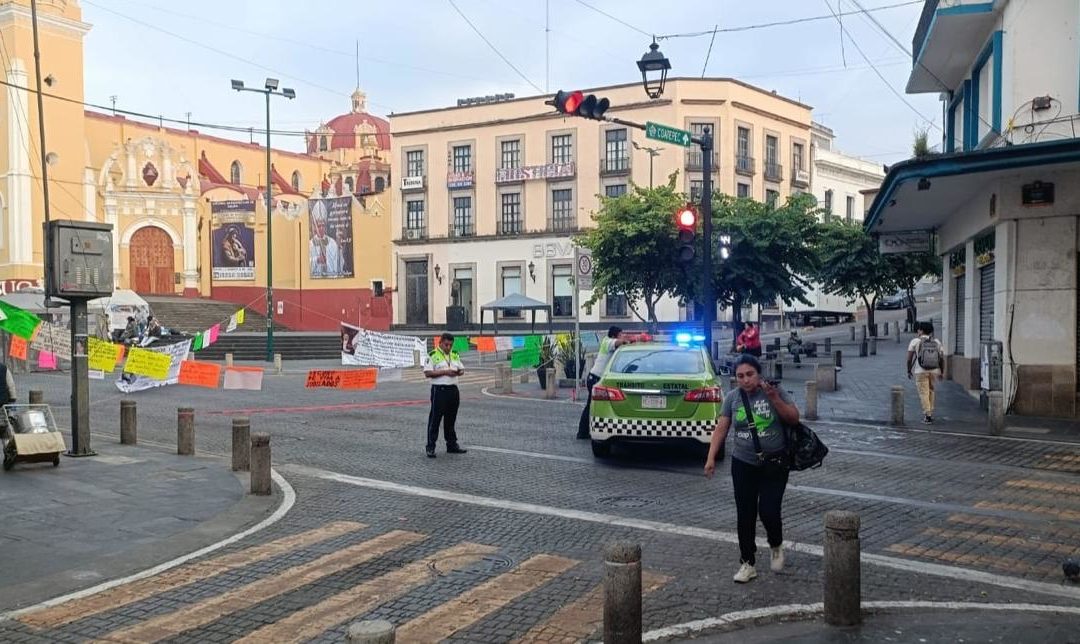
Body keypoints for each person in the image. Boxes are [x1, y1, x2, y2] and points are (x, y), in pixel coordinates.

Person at [704, 354, 799, 583]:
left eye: (749, 374)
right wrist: (710, 457)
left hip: (774, 463)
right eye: (740, 376)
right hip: (743, 463)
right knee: (745, 514)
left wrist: (774, 398)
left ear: (758, 374)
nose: (745, 380)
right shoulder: (732, 398)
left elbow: (794, 418)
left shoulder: (774, 391)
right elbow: (722, 428)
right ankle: (747, 562)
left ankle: (775, 543)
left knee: (768, 510)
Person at [577, 326, 634, 440]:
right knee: (590, 406)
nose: (622, 336)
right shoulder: (608, 342)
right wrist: (629, 339)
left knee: (592, 406)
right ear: (614, 335)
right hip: (595, 379)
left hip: (597, 378)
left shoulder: (610, 343)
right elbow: (619, 342)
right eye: (620, 334)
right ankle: (582, 433)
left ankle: (586, 431)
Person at [423, 332, 468, 458]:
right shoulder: (432, 355)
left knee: (451, 419)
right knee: (435, 419)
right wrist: (445, 372)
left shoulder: (454, 354)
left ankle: (451, 445)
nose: (448, 347)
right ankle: (430, 447)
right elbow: (427, 373)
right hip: (439, 389)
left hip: (453, 389)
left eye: (450, 345)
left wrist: (459, 372)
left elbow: (462, 369)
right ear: (440, 343)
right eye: (446, 345)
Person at [907, 321, 945, 424]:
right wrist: (942, 371)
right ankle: (930, 412)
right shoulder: (936, 342)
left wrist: (909, 370)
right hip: (934, 370)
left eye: (919, 329)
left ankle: (927, 415)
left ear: (921, 330)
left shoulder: (915, 341)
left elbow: (909, 359)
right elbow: (941, 358)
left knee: (923, 392)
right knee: (931, 391)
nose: (918, 331)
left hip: (920, 371)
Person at [309, 201, 343, 277]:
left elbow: (339, 264)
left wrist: (339, 247)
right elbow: (305, 265)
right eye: (319, 225)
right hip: (315, 282)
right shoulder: (310, 244)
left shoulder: (332, 243)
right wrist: (317, 260)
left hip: (330, 281)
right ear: (315, 227)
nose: (321, 228)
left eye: (323, 225)